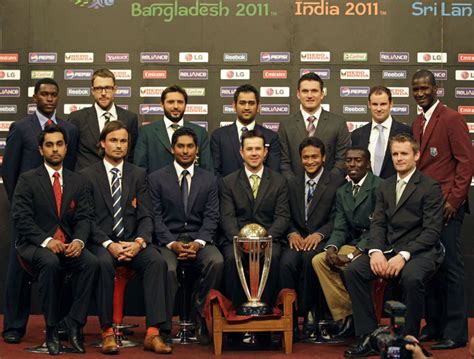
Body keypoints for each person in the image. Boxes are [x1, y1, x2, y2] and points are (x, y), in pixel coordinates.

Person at [343, 134, 444, 357]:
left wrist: (404, 255)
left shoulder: (430, 187)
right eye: (395, 154)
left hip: (421, 251)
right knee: (353, 271)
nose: (399, 158)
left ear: (416, 155)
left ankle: (408, 343)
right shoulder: (385, 186)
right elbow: (377, 223)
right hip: (388, 249)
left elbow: (432, 232)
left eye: (404, 153)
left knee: (411, 277)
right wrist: (376, 252)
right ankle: (370, 335)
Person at [81, 121, 172, 354]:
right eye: (113, 140)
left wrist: (139, 242)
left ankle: (153, 333)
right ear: (102, 143)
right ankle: (107, 332)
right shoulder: (87, 175)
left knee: (157, 262)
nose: (118, 145)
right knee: (101, 263)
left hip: (133, 242)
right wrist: (109, 244)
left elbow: (146, 215)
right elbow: (87, 219)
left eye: (123, 141)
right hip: (103, 243)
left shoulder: (139, 174)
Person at [2, 78, 78, 344]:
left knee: (63, 269)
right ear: (35, 97)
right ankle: (13, 325)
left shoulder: (68, 128)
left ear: (58, 98)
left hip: (59, 214)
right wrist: (21, 209)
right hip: (28, 215)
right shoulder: (20, 128)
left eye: (53, 94)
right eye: (44, 94)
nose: (48, 98)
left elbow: (73, 170)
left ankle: (61, 325)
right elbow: (9, 172)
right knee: (18, 272)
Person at [11, 125, 98, 355]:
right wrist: (46, 240)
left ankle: (75, 326)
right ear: (41, 150)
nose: (55, 149)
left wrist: (79, 241)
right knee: (50, 263)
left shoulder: (78, 181)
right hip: (34, 245)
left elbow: (84, 217)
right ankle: (51, 331)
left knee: (91, 263)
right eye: (49, 145)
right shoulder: (28, 179)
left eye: (59, 144)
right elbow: (21, 218)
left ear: (66, 147)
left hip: (69, 244)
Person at [411, 70, 472, 351]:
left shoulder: (451, 118)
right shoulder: (417, 122)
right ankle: (434, 325)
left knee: (450, 268)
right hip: (426, 209)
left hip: (447, 207)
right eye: (416, 89)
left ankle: (456, 331)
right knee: (430, 269)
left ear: (436, 88)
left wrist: (454, 201)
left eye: (425, 88)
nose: (420, 92)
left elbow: (465, 163)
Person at [148, 127, 223, 344]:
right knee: (167, 268)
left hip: (199, 239)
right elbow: (155, 217)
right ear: (172, 149)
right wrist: (171, 243)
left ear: (197, 149)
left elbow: (212, 217)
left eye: (190, 146)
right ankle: (163, 327)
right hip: (168, 240)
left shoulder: (209, 180)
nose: (185, 151)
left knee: (216, 261)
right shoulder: (156, 178)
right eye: (180, 146)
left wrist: (199, 243)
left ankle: (199, 316)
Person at [312, 147, 382, 341]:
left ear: (368, 164)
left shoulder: (379, 186)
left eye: (358, 160)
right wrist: (332, 247)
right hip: (351, 241)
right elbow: (340, 227)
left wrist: (354, 254)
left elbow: (380, 227)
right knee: (320, 260)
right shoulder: (343, 190)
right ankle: (348, 314)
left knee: (349, 264)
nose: (352, 164)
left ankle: (359, 319)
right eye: (349, 160)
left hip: (373, 244)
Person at [219, 129, 289, 313]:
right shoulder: (228, 182)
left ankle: (264, 311)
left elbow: (282, 217)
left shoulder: (279, 181)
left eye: (258, 149)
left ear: (265, 152)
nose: (254, 153)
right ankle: (238, 313)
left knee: (273, 259)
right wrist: (243, 243)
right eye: (249, 149)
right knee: (230, 259)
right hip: (237, 241)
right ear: (241, 152)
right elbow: (227, 218)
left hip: (269, 241)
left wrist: (264, 242)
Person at [279, 137, 342, 341]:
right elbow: (284, 214)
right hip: (296, 239)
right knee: (286, 262)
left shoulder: (335, 182)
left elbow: (337, 217)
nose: (310, 161)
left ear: (323, 158)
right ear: (300, 159)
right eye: (305, 157)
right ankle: (288, 318)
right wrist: (291, 232)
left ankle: (309, 315)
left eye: (315, 156)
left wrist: (319, 234)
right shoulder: (291, 182)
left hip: (321, 239)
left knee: (309, 261)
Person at [278, 72, 350, 180]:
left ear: (322, 94)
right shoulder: (286, 125)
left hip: (330, 192)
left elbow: (342, 160)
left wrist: (327, 185)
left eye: (314, 91)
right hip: (294, 192)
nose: (310, 96)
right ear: (298, 94)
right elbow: (284, 162)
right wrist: (294, 186)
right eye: (305, 91)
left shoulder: (338, 123)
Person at [68, 68, 139, 171]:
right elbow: (70, 154)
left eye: (108, 88)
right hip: (85, 181)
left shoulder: (130, 118)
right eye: (99, 88)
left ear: (115, 89)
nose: (103, 93)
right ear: (92, 91)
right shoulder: (77, 118)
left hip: (118, 180)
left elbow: (131, 155)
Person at [134, 85, 213, 173]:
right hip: (156, 186)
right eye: (170, 102)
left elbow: (207, 170)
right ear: (162, 104)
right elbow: (139, 170)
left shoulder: (199, 132)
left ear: (185, 105)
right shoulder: (146, 132)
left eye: (180, 102)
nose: (176, 106)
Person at [210, 84, 280, 177]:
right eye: (242, 103)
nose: (247, 107)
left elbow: (273, 175)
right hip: (226, 191)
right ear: (234, 106)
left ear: (258, 107)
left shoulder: (271, 137)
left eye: (251, 103)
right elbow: (215, 173)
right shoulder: (219, 136)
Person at [350, 86, 412, 178]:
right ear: (369, 104)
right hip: (367, 190)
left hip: (396, 189)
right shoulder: (357, 135)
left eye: (383, 104)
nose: (379, 109)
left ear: (391, 104)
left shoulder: (406, 131)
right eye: (375, 104)